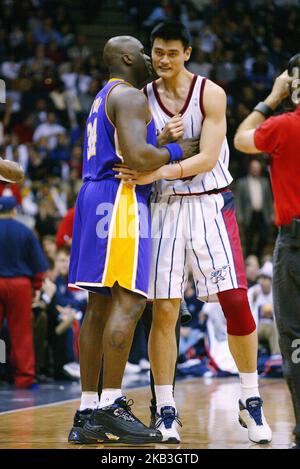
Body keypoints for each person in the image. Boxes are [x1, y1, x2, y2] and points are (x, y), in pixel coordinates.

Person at [115, 21, 272, 444]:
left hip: (209, 203)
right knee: (163, 310)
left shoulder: (211, 93)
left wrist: (160, 167)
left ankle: (250, 399)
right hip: (165, 208)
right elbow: (136, 150)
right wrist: (159, 141)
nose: (163, 59)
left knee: (236, 301)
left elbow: (207, 158)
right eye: (157, 52)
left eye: (171, 52)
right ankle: (166, 408)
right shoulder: (141, 97)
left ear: (187, 52)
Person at [67, 35, 198, 445]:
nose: (148, 58)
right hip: (119, 200)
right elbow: (138, 161)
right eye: (143, 51)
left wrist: (155, 143)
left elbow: (129, 149)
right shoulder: (131, 98)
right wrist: (178, 149)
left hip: (93, 196)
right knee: (130, 299)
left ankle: (87, 411)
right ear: (127, 57)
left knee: (99, 306)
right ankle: (111, 404)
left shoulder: (102, 97)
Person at [234, 54, 300, 449]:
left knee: (294, 342)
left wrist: (270, 100)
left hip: (294, 244)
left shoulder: (282, 125)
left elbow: (242, 138)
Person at [0, 196, 48, 388]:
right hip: (20, 285)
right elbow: (38, 267)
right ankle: (24, 378)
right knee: (21, 333)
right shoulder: (25, 231)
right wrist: (35, 288)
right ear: (14, 211)